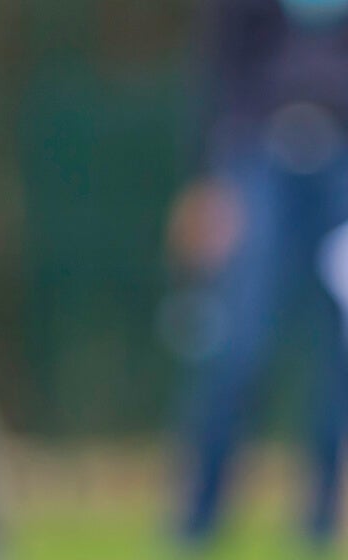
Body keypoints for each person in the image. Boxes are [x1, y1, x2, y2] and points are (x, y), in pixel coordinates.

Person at [172, 0, 348, 545]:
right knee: (237, 345)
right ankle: (199, 520)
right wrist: (206, 180)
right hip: (257, 152)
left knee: (340, 354)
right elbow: (219, 65)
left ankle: (318, 524)